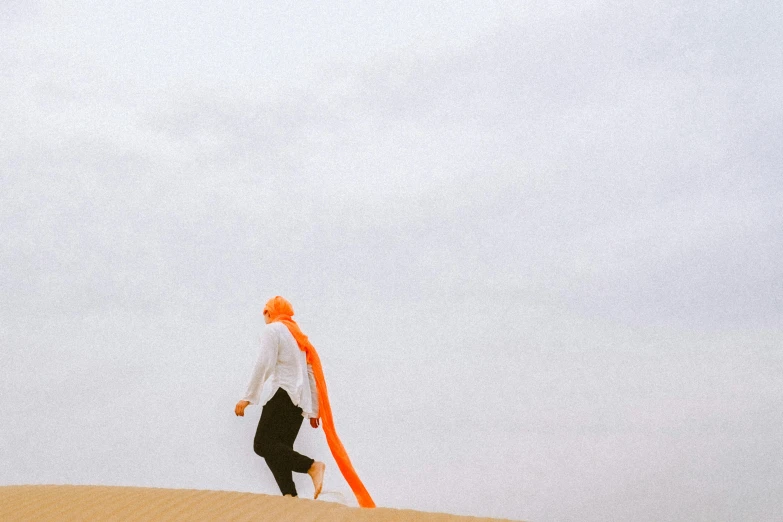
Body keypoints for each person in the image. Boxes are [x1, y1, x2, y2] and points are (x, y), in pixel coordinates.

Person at [235, 296, 375, 507]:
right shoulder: (297, 336)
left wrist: (247, 397)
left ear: (270, 312)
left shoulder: (273, 330)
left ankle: (311, 466)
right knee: (280, 450)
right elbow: (310, 373)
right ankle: (290, 498)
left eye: (264, 312)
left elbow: (265, 363)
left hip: (283, 394)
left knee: (262, 444)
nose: (263, 316)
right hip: (298, 403)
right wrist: (313, 409)